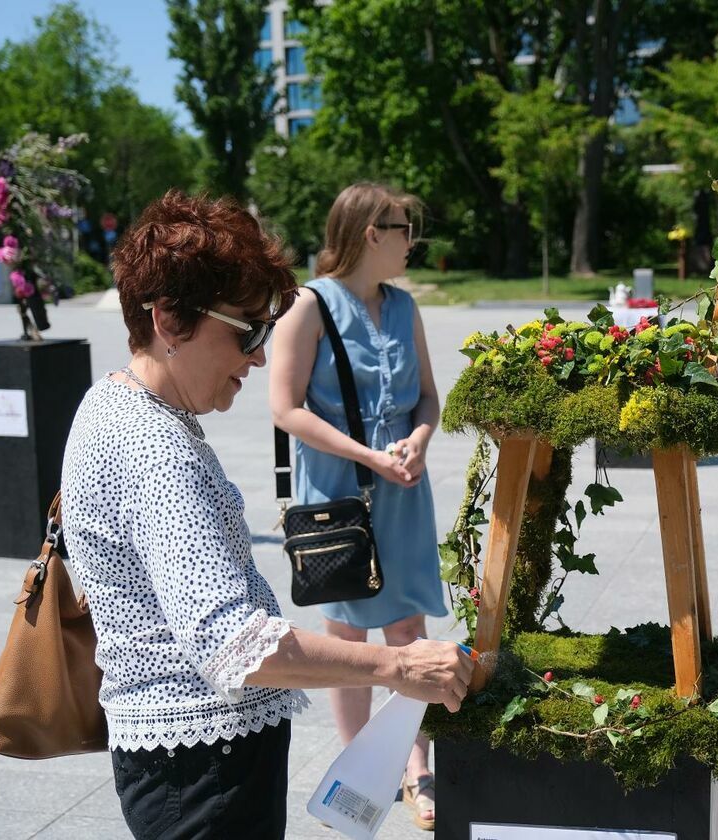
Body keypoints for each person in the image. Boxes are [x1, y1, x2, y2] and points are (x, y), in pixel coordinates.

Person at [60, 191, 473, 840]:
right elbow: (234, 646)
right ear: (170, 321)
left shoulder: (119, 407)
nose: (258, 356)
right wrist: (400, 668)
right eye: (247, 330)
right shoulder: (153, 449)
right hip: (201, 773)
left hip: (196, 758)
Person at [268, 182, 446, 830]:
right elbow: (284, 409)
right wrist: (367, 456)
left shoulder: (404, 307)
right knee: (348, 638)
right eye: (404, 228)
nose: (411, 241)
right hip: (339, 495)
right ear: (373, 233)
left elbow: (429, 395)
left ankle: (414, 766)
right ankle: (359, 768)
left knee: (407, 631)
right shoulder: (307, 308)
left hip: (402, 489)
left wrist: (420, 439)